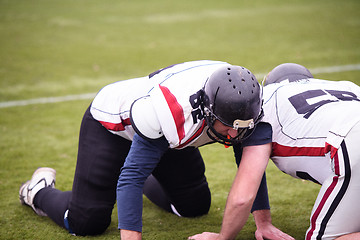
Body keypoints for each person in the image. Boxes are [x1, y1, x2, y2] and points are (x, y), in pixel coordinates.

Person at [19, 60, 293, 240]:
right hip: (114, 124)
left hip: (169, 135)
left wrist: (263, 223)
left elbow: (249, 165)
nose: (235, 135)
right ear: (207, 111)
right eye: (227, 127)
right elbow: (131, 177)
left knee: (194, 207)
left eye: (241, 127)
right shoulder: (172, 114)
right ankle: (38, 191)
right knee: (87, 222)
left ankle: (148, 167)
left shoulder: (247, 105)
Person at [189, 63, 360, 240]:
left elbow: (242, 198)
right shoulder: (346, 86)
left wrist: (221, 238)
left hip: (349, 142)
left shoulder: (266, 103)